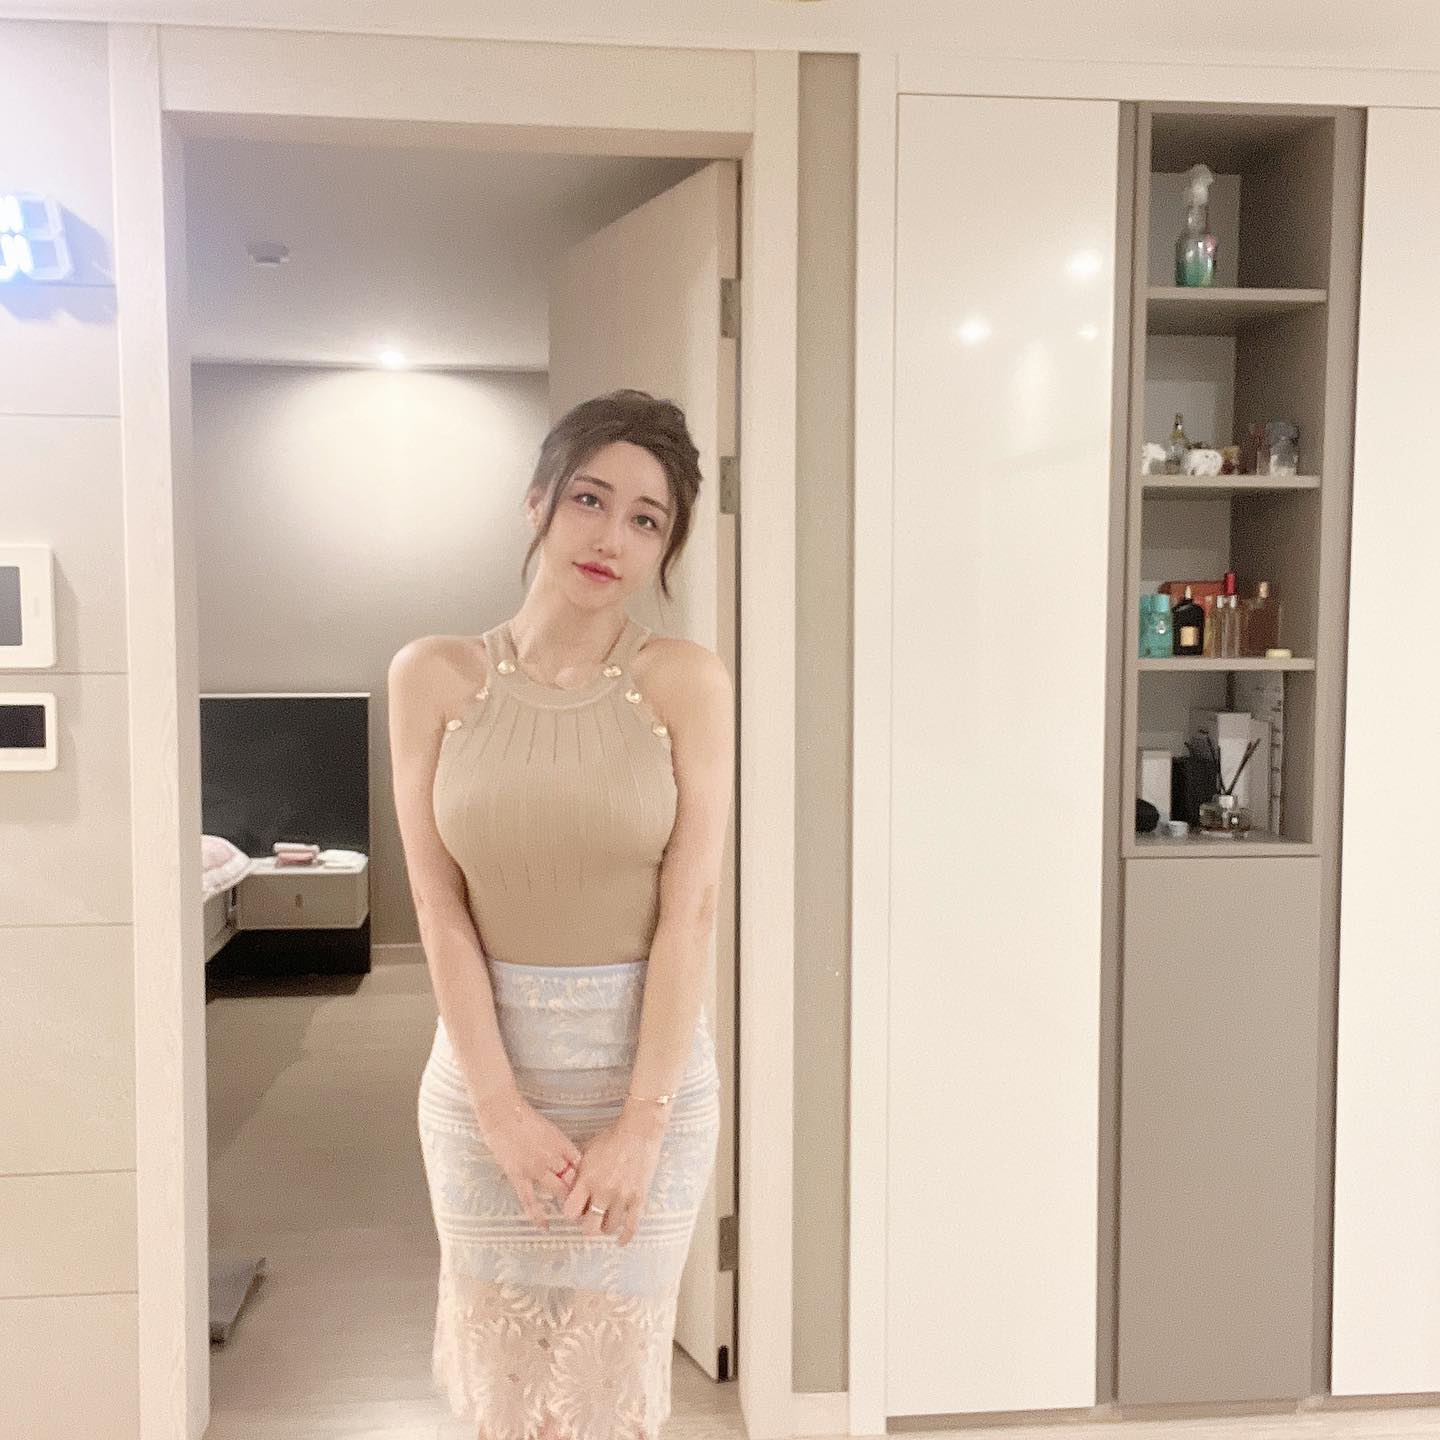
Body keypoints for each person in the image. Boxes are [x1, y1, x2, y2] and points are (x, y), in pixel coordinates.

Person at [387, 389, 733, 1440]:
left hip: (646, 1086)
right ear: (537, 500)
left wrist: (642, 1121)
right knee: (506, 1401)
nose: (610, 536)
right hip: (486, 1084)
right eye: (590, 498)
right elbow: (438, 906)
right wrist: (498, 1107)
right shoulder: (433, 675)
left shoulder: (684, 681)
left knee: (599, 1403)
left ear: (665, 548)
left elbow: (691, 912)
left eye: (646, 518)